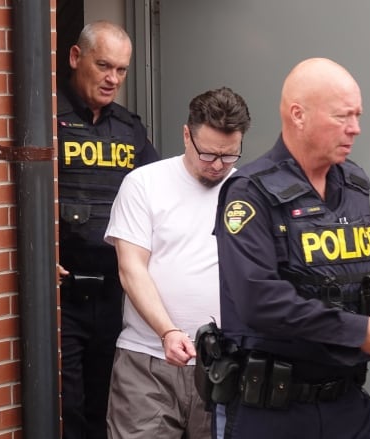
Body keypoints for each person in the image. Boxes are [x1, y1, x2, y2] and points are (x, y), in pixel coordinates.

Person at [212, 57, 370, 439]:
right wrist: (361, 332)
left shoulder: (353, 185)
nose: (356, 129)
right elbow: (260, 300)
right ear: (298, 115)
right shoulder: (250, 193)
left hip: (347, 407)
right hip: (274, 413)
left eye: (357, 115)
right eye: (342, 117)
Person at [103, 87, 251, 439]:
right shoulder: (144, 184)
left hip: (227, 364)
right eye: (208, 154)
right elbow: (131, 268)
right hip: (148, 361)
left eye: (229, 156)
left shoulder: (250, 190)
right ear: (186, 135)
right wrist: (167, 331)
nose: (217, 166)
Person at [57, 20, 159, 439]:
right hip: (63, 295)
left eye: (122, 70)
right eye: (104, 66)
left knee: (107, 401)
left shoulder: (130, 128)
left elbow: (159, 195)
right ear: (76, 58)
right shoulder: (46, 118)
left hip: (116, 295)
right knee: (66, 405)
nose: (113, 78)